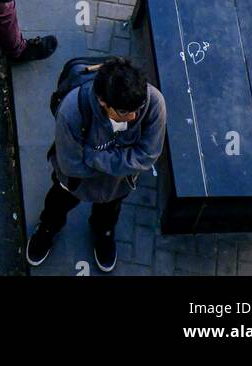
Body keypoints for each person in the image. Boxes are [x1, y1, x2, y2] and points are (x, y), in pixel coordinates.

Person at [26, 56, 166, 272]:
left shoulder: (153, 102)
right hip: (75, 182)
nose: (133, 117)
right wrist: (123, 162)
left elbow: (147, 156)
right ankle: (47, 228)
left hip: (117, 185)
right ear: (102, 101)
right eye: (124, 113)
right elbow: (71, 165)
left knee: (109, 213)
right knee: (57, 204)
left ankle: (104, 233)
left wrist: (93, 157)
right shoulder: (72, 112)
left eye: (137, 109)